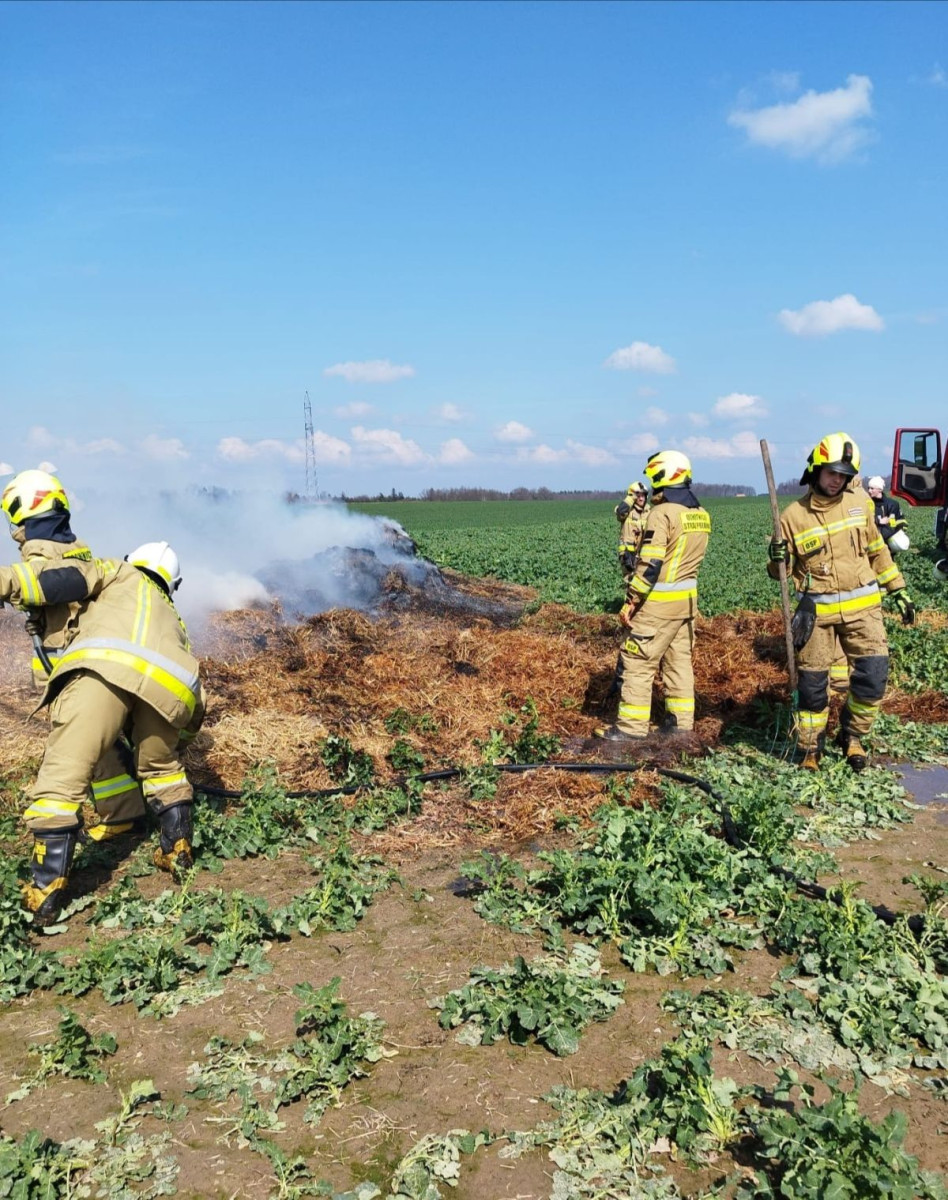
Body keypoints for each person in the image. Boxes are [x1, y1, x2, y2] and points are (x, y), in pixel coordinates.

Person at [0, 472, 204, 924]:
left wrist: (9, 583)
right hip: (168, 693)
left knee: (60, 782)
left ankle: (46, 889)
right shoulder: (174, 619)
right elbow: (195, 698)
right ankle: (178, 850)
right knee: (164, 769)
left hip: (101, 676)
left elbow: (60, 583)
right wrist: (178, 736)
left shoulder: (116, 570)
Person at [0, 470, 148, 840]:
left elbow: (45, 581)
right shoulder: (74, 543)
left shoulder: (43, 548)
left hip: (71, 664)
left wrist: (11, 585)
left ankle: (71, 827)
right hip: (86, 658)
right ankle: (123, 813)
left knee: (77, 747)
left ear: (19, 510)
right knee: (105, 743)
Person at [767, 433, 915, 773]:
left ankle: (852, 736)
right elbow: (782, 573)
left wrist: (898, 589)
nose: (838, 480)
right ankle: (809, 749)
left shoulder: (860, 503)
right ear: (816, 470)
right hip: (816, 615)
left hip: (864, 609)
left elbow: (877, 550)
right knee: (813, 690)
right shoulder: (791, 516)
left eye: (844, 475)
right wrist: (776, 559)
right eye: (832, 472)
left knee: (873, 678)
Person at [598, 450, 711, 741]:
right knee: (679, 664)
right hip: (686, 606)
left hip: (657, 606)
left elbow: (650, 564)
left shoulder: (661, 514)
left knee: (638, 661)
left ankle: (631, 729)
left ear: (663, 477)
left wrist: (632, 600)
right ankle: (680, 725)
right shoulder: (700, 515)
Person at [614, 482, 650, 581]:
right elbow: (620, 513)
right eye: (638, 496)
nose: (641, 499)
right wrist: (630, 498)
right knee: (630, 585)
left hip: (644, 555)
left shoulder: (649, 512)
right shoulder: (626, 511)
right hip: (628, 556)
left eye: (643, 495)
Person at [866, 476, 909, 551]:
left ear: (880, 489)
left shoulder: (892, 504)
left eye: (872, 488)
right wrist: (879, 521)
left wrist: (890, 524)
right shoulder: (866, 504)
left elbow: (901, 523)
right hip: (870, 544)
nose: (869, 491)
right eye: (868, 488)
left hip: (888, 546)